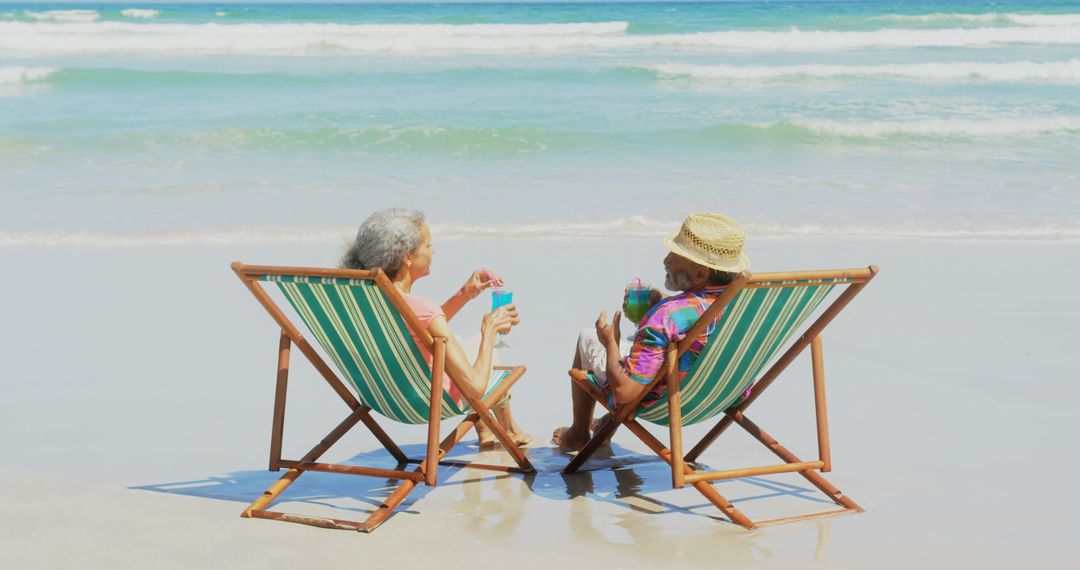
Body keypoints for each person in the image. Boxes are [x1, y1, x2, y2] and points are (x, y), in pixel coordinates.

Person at [552, 213, 750, 451]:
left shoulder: (666, 316)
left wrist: (611, 344)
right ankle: (606, 426)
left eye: (676, 256)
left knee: (588, 337)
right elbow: (703, 317)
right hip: (725, 394)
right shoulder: (746, 303)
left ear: (700, 274)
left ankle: (578, 434)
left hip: (670, 402)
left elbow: (625, 393)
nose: (666, 260)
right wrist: (664, 300)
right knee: (654, 350)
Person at [342, 208, 531, 448]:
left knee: (458, 342)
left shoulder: (365, 303)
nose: (433, 250)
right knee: (487, 352)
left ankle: (488, 429)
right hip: (428, 402)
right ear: (407, 257)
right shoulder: (422, 308)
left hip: (382, 398)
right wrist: (490, 330)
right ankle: (508, 429)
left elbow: (419, 328)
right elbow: (474, 388)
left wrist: (464, 294)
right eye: (428, 245)